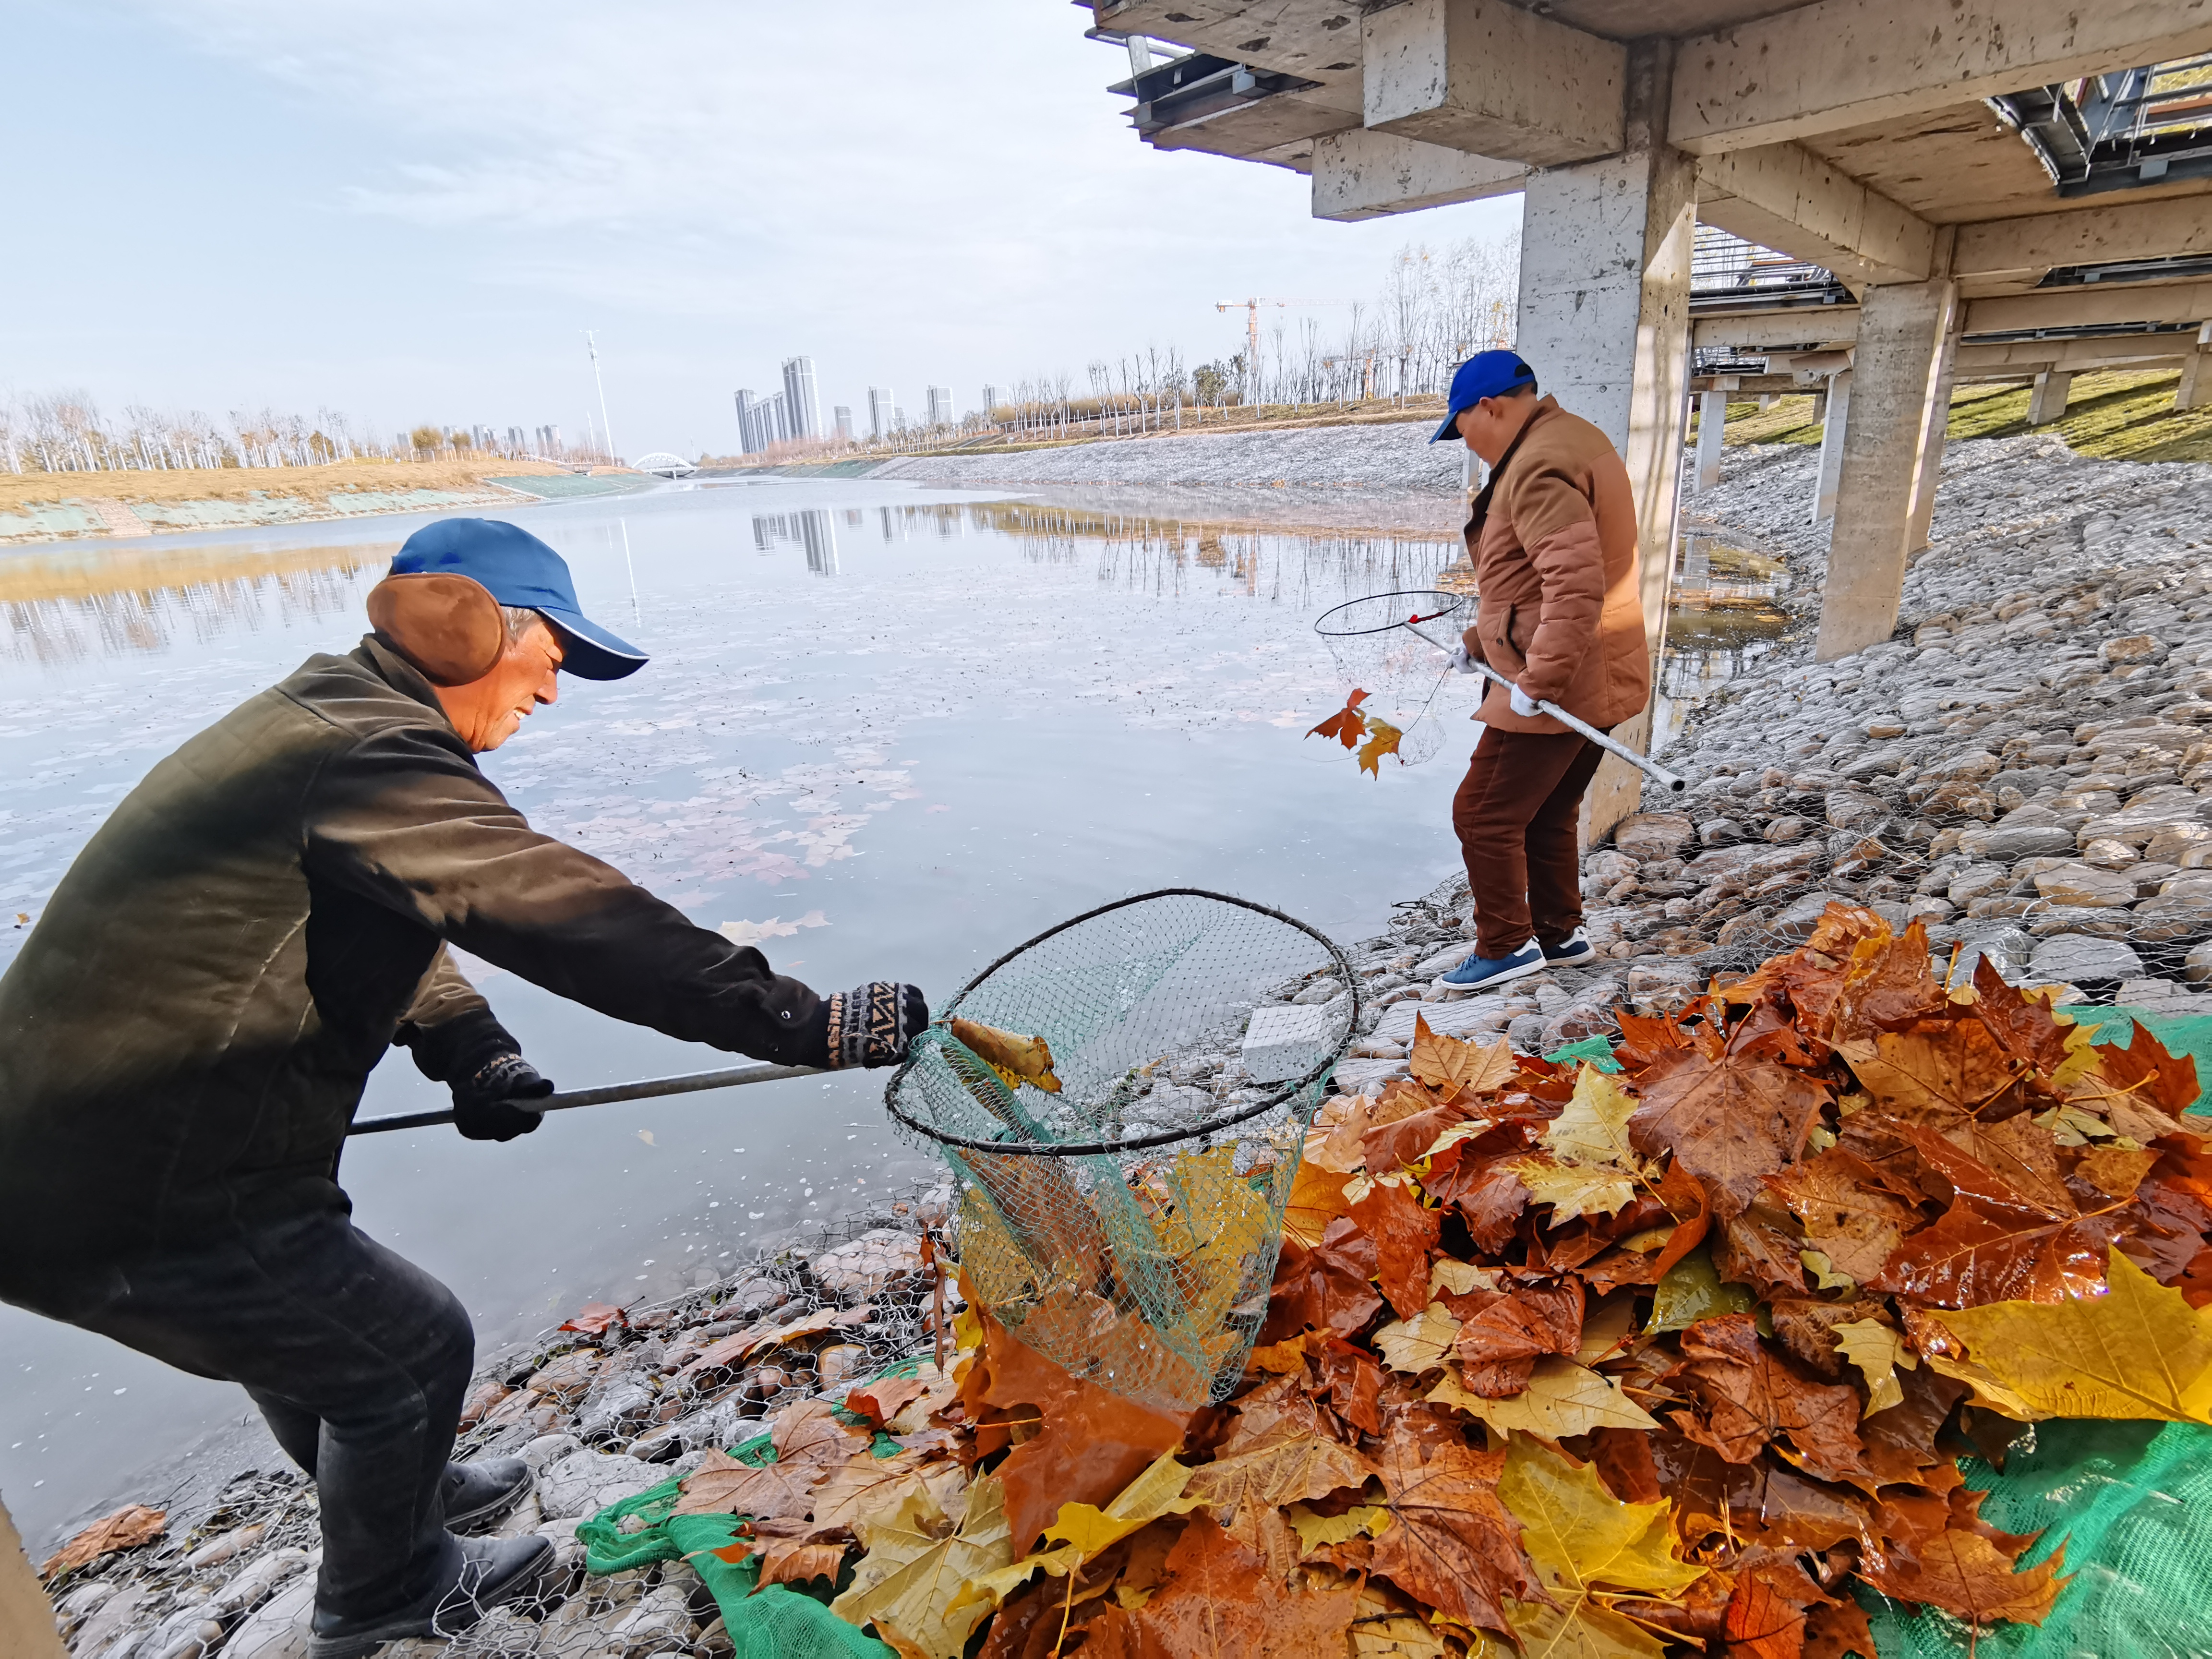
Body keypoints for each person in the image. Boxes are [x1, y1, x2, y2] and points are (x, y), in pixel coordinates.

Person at [0, 518, 928, 1658]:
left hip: (83, 1158)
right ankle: (385, 1591)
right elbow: (572, 916)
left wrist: (468, 1044)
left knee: (309, 1326)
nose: (553, 689)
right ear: (467, 625)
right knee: (409, 1349)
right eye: (554, 653)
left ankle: (401, 1490)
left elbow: (370, 913)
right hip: (129, 1179)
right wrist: (799, 1021)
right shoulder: (371, 751)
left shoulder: (327, 725)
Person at [1426, 350, 1650, 991]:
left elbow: (1575, 586)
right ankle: (1558, 934)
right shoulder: (1571, 439)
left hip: (1562, 683)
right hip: (1598, 674)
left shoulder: (1537, 465)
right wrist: (1478, 642)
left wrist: (1540, 681)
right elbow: (1526, 582)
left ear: (1489, 407)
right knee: (1549, 810)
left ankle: (1505, 946)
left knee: (1482, 815)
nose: (1467, 445)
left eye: (1462, 429)